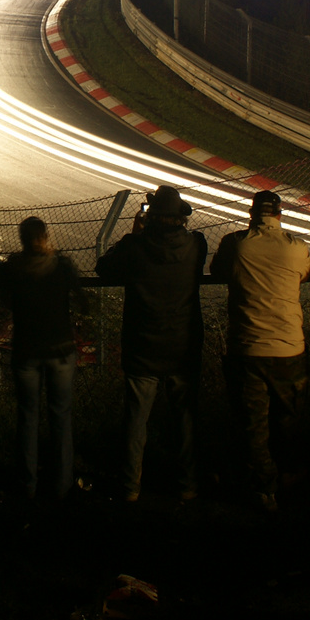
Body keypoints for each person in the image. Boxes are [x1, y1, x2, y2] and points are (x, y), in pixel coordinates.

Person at [96, 185, 209, 503]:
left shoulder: (134, 247)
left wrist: (133, 233)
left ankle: (130, 486)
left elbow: (104, 267)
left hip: (143, 347)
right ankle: (188, 485)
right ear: (180, 219)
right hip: (182, 346)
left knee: (136, 420)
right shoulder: (195, 245)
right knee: (185, 419)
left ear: (152, 216)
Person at [210, 190, 310, 512]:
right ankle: (289, 480)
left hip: (248, 346)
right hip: (289, 347)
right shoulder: (296, 248)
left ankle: (262, 488)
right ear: (280, 214)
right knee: (289, 420)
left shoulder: (235, 243)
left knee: (252, 423)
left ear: (251, 214)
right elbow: (305, 274)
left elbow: (217, 272)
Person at [0, 217, 85, 502]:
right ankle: (62, 484)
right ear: (45, 236)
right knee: (61, 416)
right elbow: (81, 298)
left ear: (22, 238)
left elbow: (5, 300)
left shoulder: (13, 268)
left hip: (27, 349)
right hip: (60, 348)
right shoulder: (61, 265)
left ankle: (28, 483)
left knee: (28, 416)